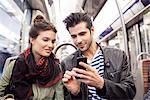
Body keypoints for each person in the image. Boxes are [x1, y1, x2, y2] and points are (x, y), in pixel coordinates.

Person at [61, 12, 136, 100]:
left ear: (92, 30)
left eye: (82, 34)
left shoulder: (118, 56)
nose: (78, 40)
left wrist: (102, 84)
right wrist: (76, 94)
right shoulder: (67, 64)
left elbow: (130, 92)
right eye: (74, 36)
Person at [1, 15, 64, 100]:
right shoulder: (15, 64)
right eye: (45, 40)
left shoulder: (55, 69)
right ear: (32, 40)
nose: (50, 45)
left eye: (53, 41)